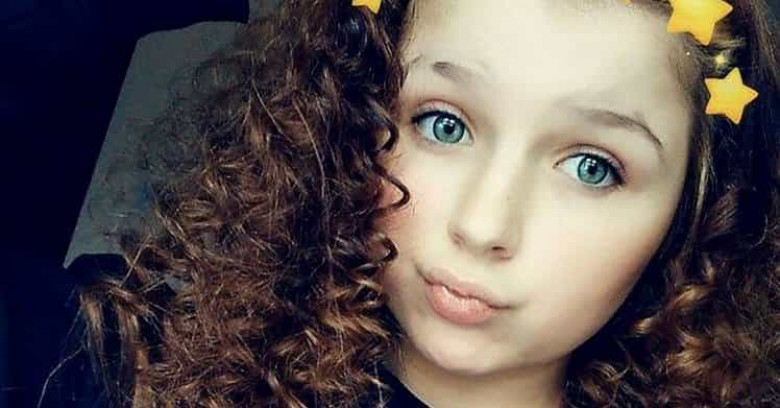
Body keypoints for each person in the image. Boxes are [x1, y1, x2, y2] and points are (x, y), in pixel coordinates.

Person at [75, 0, 778, 407]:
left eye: (592, 167)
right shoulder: (133, 356)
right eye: (443, 124)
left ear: (695, 217)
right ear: (346, 115)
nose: (483, 225)